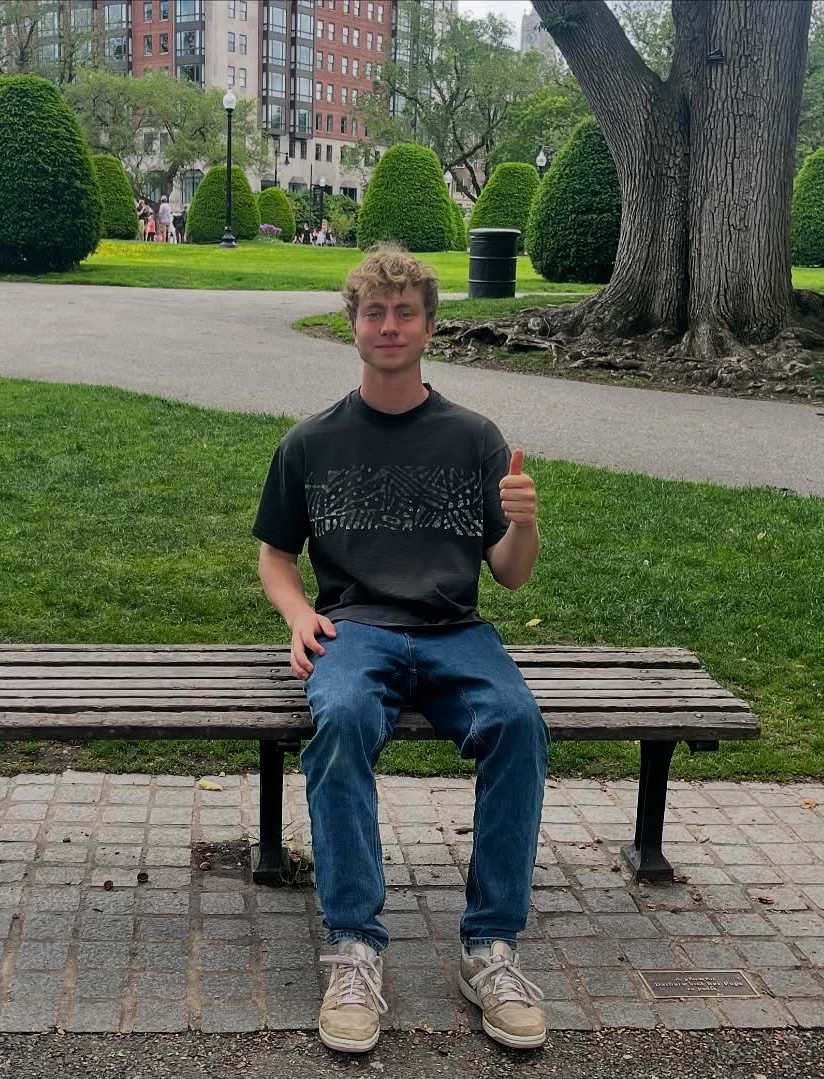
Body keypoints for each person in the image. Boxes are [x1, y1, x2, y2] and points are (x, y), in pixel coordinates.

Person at [252, 245, 548, 1056]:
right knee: (341, 718)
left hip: (456, 630)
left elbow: (511, 577)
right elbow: (276, 553)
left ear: (428, 326)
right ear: (352, 326)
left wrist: (523, 521)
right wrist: (297, 612)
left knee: (519, 724)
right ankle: (354, 948)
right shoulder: (311, 443)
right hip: (358, 631)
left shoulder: (474, 438)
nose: (389, 326)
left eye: (404, 312)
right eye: (374, 313)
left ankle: (491, 949)